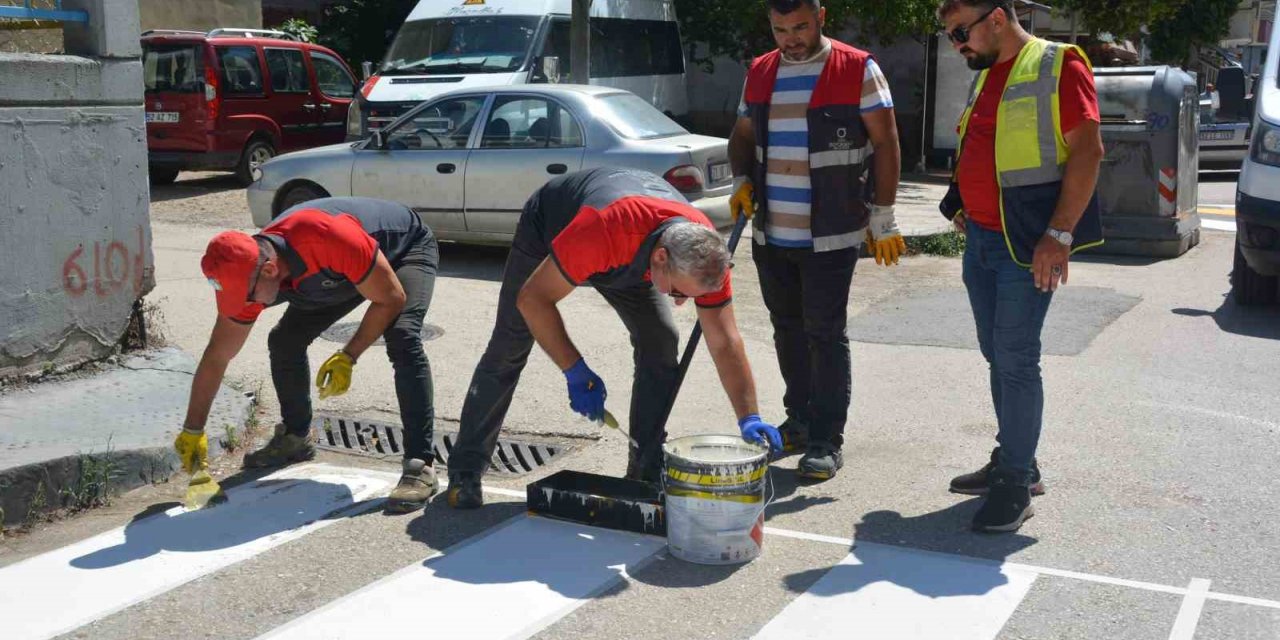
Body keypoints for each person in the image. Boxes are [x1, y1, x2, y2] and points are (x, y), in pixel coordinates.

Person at [446, 167, 780, 509]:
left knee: (661, 339)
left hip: (637, 249)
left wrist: (748, 416)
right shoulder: (603, 228)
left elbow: (724, 340)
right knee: (510, 343)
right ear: (662, 260)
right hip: (557, 225)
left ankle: (644, 465)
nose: (681, 301)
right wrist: (574, 368)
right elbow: (533, 299)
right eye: (679, 292)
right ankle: (466, 470)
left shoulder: (705, 257)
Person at [937, 0, 1104, 532]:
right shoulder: (987, 75)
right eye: (950, 36)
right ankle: (1017, 459)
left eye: (961, 32)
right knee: (997, 354)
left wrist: (1059, 235)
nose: (957, 44)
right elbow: (983, 146)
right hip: (984, 240)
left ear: (996, 18)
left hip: (1027, 246)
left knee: (1015, 357)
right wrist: (961, 202)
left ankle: (1014, 481)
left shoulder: (1058, 63)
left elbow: (1088, 151)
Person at [174, 197, 441, 514]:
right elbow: (218, 356)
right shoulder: (249, 273)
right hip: (337, 272)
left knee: (402, 337)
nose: (245, 306)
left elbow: (391, 298)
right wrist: (193, 429)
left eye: (246, 297)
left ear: (270, 270)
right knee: (285, 340)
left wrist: (349, 355)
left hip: (402, 250)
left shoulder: (326, 236)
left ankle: (420, 464)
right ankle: (295, 437)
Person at [728, 0, 903, 481]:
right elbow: (742, 134)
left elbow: (886, 142)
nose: (792, 38)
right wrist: (741, 178)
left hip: (832, 233)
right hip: (772, 232)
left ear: (822, 16)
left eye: (801, 26)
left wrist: (884, 216)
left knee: (824, 335)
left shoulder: (857, 68)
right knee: (786, 328)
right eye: (781, 29)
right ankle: (800, 421)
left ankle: (826, 439)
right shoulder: (761, 71)